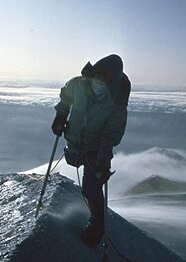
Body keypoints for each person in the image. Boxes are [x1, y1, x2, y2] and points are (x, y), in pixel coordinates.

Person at [52, 54, 131, 247]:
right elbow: (66, 96)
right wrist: (60, 116)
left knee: (91, 186)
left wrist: (103, 164)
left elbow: (110, 136)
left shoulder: (116, 102)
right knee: (74, 162)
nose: (100, 79)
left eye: (107, 76)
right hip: (75, 140)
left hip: (96, 148)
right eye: (99, 73)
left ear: (114, 81)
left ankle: (97, 224)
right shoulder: (78, 84)